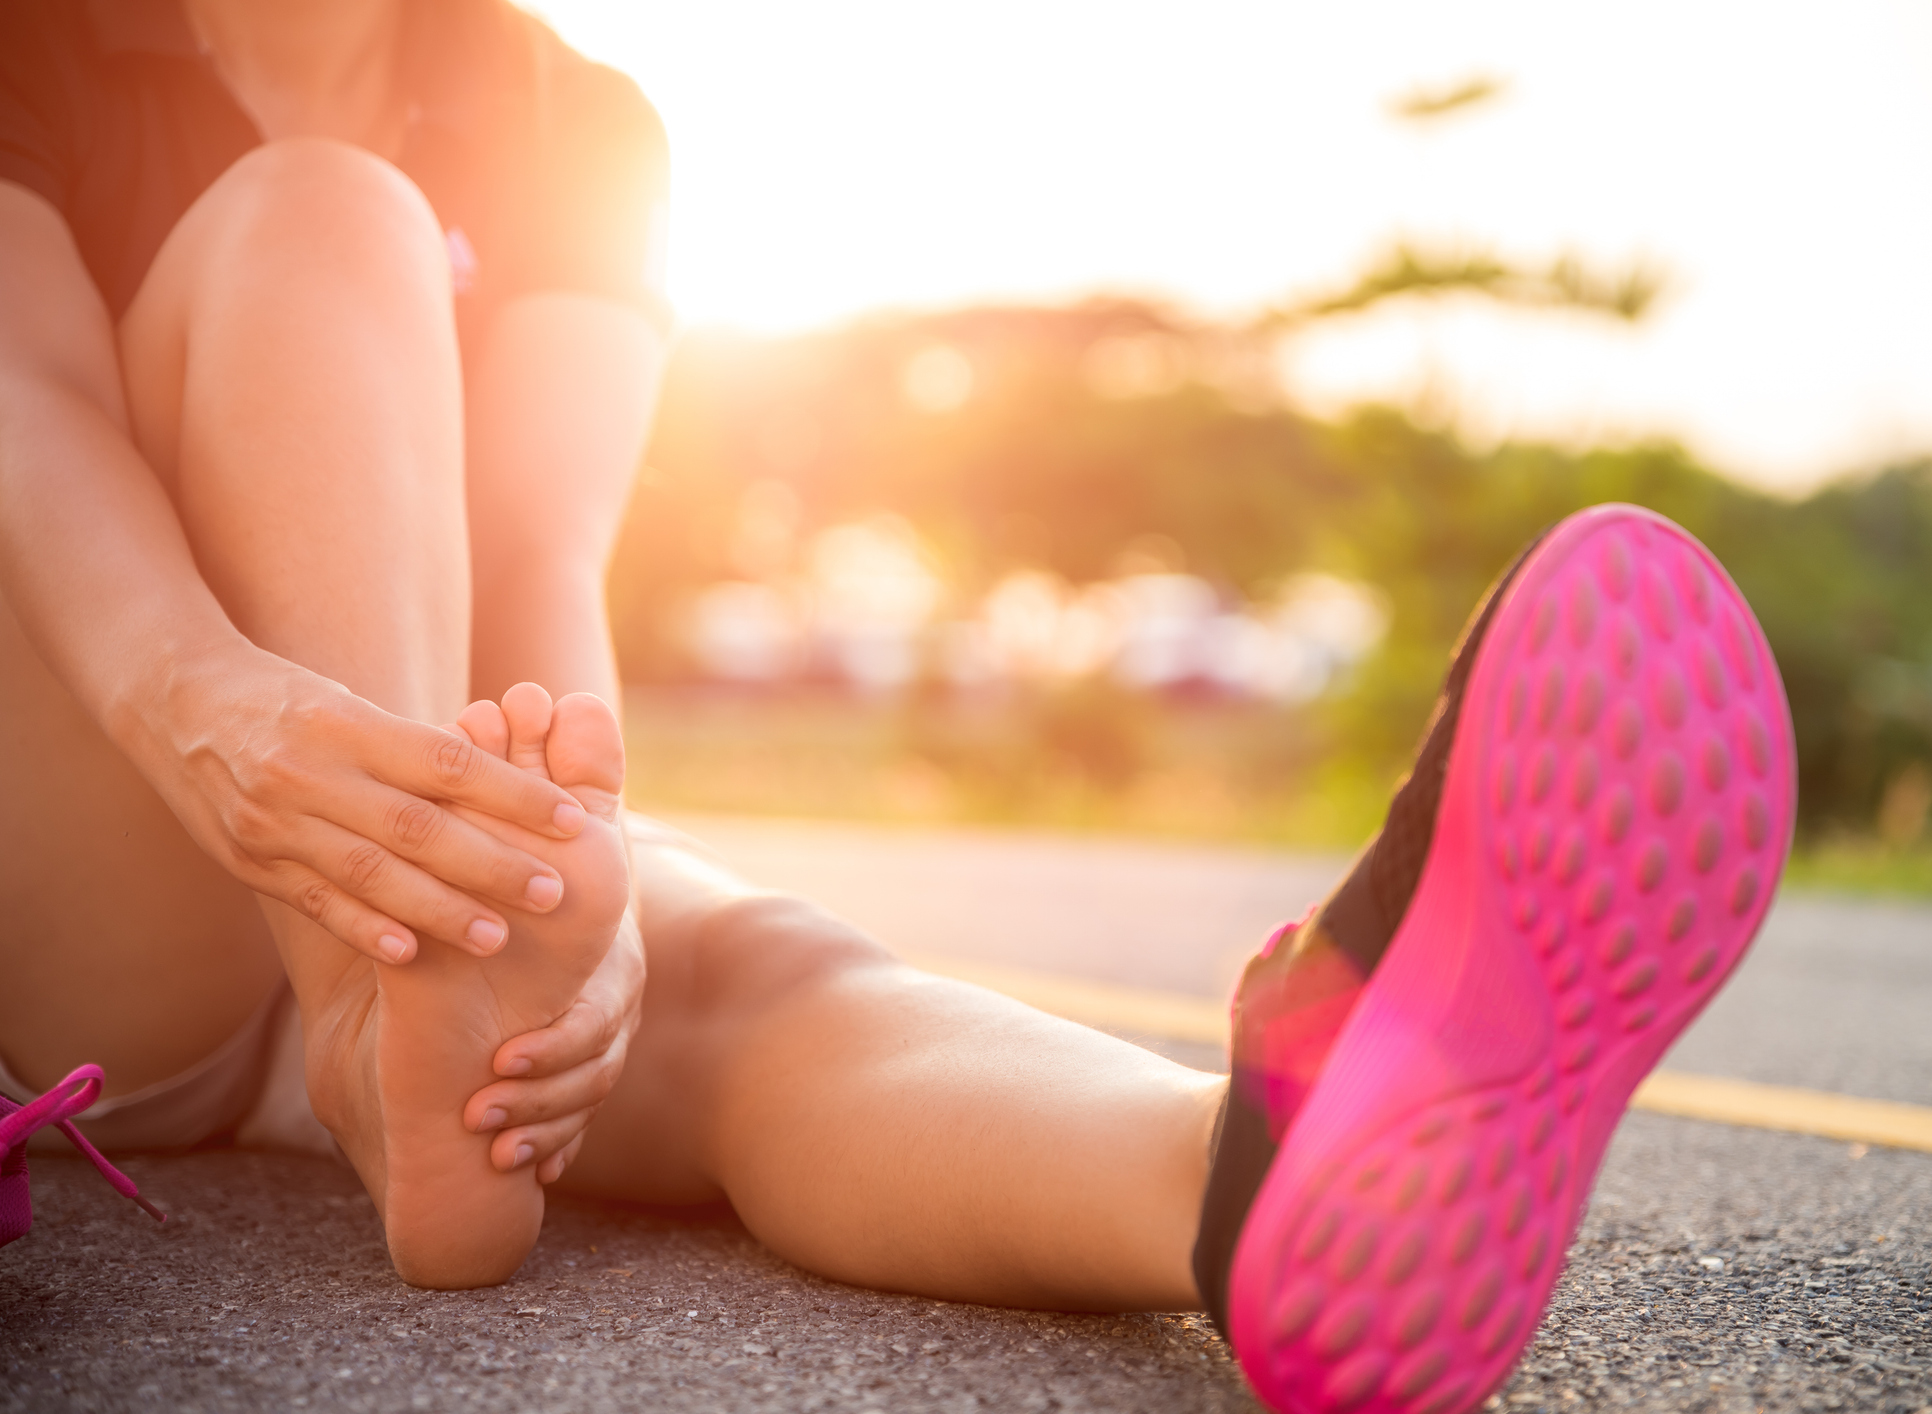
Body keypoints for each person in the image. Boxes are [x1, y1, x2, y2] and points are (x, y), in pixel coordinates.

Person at [0, 1, 1797, 1409]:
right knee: (323, 215)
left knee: (759, 976)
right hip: (118, 805)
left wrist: (569, 861)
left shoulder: (577, 119)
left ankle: (1261, 1177)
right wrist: (220, 721)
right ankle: (386, 1022)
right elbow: (32, 416)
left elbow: (539, 550)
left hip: (418, 835)